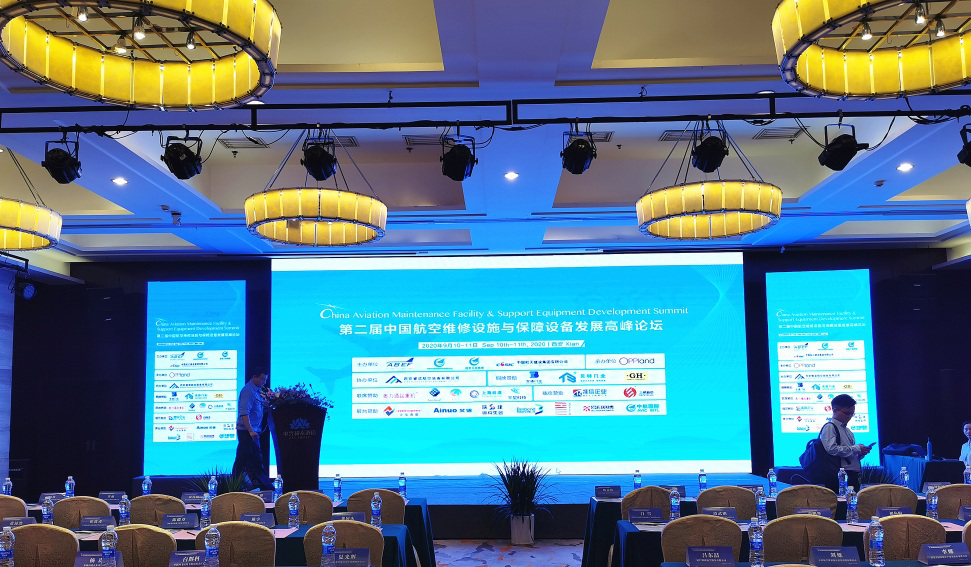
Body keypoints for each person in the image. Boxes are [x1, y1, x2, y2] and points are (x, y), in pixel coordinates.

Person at [819, 394, 871, 490]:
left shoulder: (848, 431)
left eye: (852, 414)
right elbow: (832, 449)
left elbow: (848, 454)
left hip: (853, 474)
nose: (849, 417)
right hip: (840, 475)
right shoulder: (830, 427)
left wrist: (860, 452)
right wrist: (856, 448)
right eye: (847, 413)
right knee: (841, 499)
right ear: (834, 410)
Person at [232, 367, 273, 489]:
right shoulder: (248, 391)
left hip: (253, 431)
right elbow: (244, 413)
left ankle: (236, 484)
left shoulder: (258, 390)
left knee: (243, 459)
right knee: (254, 459)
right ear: (254, 377)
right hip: (247, 432)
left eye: (265, 379)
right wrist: (250, 431)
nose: (264, 382)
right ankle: (265, 486)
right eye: (262, 379)